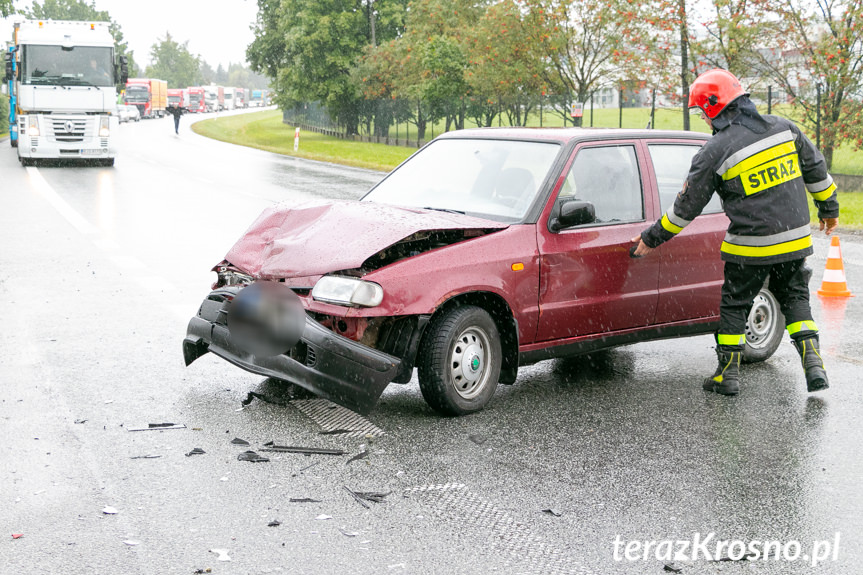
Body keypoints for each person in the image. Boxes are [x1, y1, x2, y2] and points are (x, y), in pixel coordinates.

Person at [631, 68, 839, 396]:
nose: (702, 119)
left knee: (735, 304)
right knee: (795, 297)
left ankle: (727, 375)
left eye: (701, 112)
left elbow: (685, 209)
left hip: (751, 247)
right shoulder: (785, 128)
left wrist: (651, 237)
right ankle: (813, 364)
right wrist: (830, 210)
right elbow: (816, 170)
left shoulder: (714, 151)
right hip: (795, 239)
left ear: (713, 107)